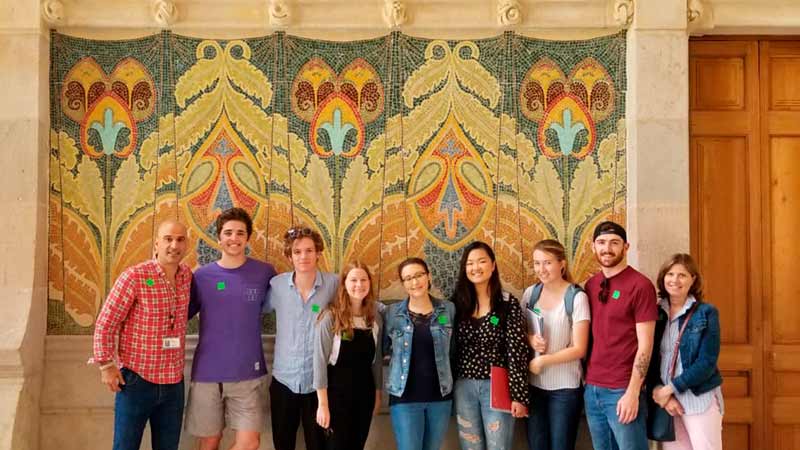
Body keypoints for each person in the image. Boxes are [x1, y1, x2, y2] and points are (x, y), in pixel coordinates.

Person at [91, 220, 192, 450]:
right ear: (156, 243)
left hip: (173, 384)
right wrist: (106, 365)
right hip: (136, 381)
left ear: (186, 245)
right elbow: (106, 322)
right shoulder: (135, 276)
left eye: (180, 239)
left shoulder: (186, 276)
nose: (174, 245)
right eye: (168, 239)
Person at [185, 207, 277, 450]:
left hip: (248, 371)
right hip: (207, 373)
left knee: (249, 443)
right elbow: (179, 314)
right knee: (209, 441)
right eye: (228, 233)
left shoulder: (265, 273)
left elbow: (288, 300)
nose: (233, 238)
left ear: (248, 237)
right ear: (219, 238)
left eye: (239, 233)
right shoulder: (201, 276)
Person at [583, 221, 658, 450]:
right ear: (593, 247)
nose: (607, 248)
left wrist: (633, 392)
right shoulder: (591, 285)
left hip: (622, 390)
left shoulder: (641, 286)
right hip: (592, 389)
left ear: (626, 247)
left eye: (614, 243)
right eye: (602, 243)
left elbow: (646, 346)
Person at [264, 226, 338, 450]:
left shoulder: (334, 284)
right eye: (297, 252)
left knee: (319, 445)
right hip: (284, 381)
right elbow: (252, 309)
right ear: (289, 255)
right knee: (283, 444)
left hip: (319, 384)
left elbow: (362, 302)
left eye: (309, 250)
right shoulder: (276, 286)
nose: (303, 256)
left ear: (318, 253)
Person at [451, 241, 530, 450]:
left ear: (493, 265)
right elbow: (442, 328)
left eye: (482, 261)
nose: (475, 267)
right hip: (463, 386)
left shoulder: (506, 304)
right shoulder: (456, 304)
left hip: (497, 385)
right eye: (470, 263)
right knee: (470, 446)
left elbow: (517, 350)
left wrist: (519, 396)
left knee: (499, 446)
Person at [522, 239, 590, 450]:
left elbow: (580, 348)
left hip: (565, 389)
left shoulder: (577, 298)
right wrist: (530, 338)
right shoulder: (530, 295)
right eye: (536, 263)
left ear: (562, 264)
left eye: (547, 262)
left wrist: (545, 360)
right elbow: (519, 333)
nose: (541, 269)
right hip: (534, 387)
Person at [650, 253, 723, 450]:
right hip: (668, 403)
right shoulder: (655, 313)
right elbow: (647, 357)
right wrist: (660, 392)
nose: (675, 280)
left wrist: (669, 389)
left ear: (693, 279)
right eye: (670, 274)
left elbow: (706, 363)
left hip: (698, 399)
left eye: (682, 275)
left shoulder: (706, 313)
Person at [383, 257, 456, 450]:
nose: (414, 282)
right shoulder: (392, 314)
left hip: (440, 397)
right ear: (403, 283)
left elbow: (455, 350)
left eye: (419, 275)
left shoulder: (448, 309)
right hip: (404, 398)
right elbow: (381, 349)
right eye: (408, 278)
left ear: (428, 276)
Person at [313, 261, 383, 450]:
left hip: (365, 395)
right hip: (336, 397)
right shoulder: (330, 317)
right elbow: (319, 363)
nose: (359, 285)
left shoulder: (375, 318)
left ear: (369, 282)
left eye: (363, 279)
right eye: (353, 280)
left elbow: (376, 362)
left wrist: (377, 395)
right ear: (343, 284)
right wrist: (323, 405)